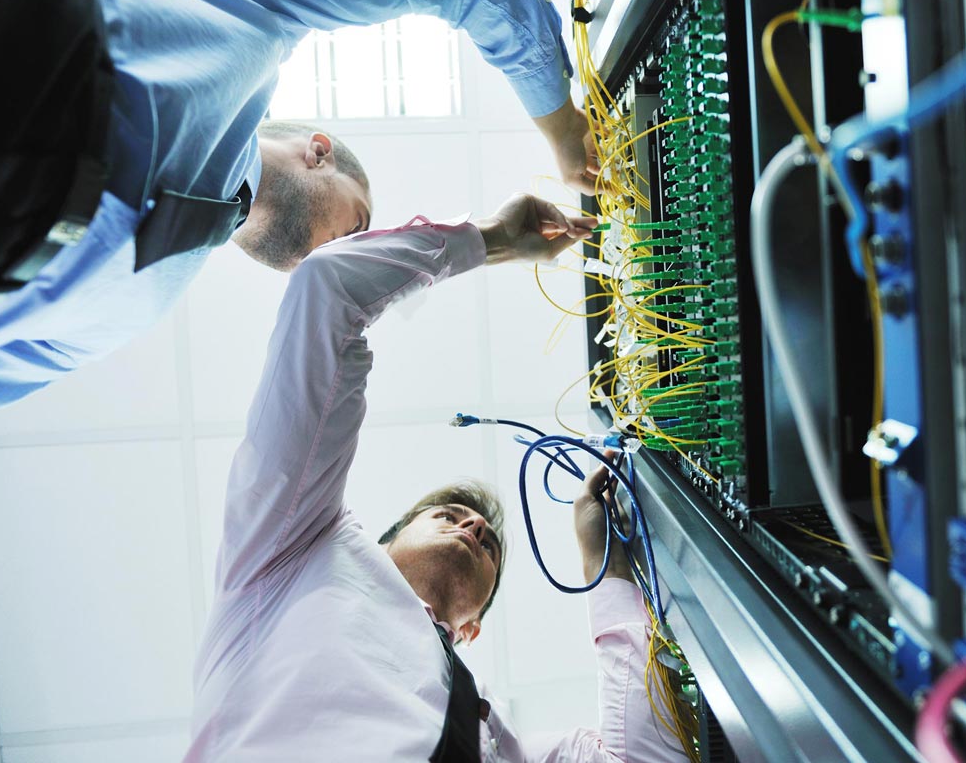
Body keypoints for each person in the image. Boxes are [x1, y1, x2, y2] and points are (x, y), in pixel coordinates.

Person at [0, 0, 598, 435]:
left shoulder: (117, 320)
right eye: (359, 224)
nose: (357, 249)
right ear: (319, 151)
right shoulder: (238, 2)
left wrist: (494, 240)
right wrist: (563, 126)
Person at [183, 191, 687, 763]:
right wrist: (493, 239)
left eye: (489, 545)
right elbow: (327, 288)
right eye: (448, 516)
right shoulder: (288, 555)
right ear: (384, 543)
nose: (475, 527)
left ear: (471, 630)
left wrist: (605, 561)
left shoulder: (497, 739)